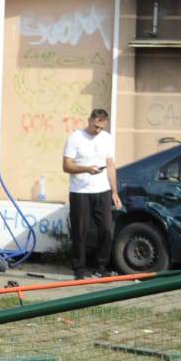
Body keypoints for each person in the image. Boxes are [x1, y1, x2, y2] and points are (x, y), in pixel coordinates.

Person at [62, 107, 120, 279]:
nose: (98, 130)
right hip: (80, 191)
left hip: (102, 190)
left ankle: (101, 266)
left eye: (101, 127)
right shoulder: (75, 138)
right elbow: (66, 166)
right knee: (80, 231)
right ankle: (79, 268)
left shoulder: (107, 139)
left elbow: (110, 165)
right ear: (89, 120)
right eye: (96, 126)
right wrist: (86, 169)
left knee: (107, 230)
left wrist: (114, 192)